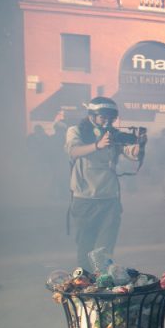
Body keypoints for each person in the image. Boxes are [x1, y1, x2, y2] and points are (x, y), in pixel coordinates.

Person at [64, 97, 145, 271]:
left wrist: (140, 146)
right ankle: (84, 284)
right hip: (85, 198)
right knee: (86, 245)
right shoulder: (76, 130)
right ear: (92, 116)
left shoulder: (113, 134)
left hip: (110, 199)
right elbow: (73, 151)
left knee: (105, 247)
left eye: (111, 118)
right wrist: (98, 145)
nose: (108, 121)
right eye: (103, 117)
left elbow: (131, 153)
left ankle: (102, 281)